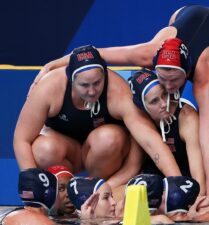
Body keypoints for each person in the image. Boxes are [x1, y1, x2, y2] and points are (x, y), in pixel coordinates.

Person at [35, 5, 209, 194]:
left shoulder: (205, 80)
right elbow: (95, 53)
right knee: (156, 91)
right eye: (163, 78)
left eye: (175, 81)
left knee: (208, 116)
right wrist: (53, 64)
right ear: (154, 66)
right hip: (183, 14)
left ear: (187, 71)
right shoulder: (147, 55)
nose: (170, 86)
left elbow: (208, 141)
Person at [13, 45, 181, 190]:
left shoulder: (117, 92)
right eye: (84, 85)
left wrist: (177, 182)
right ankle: (66, 195)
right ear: (71, 79)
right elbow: (22, 139)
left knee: (108, 138)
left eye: (97, 83)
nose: (92, 91)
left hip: (102, 158)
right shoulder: (49, 88)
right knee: (43, 149)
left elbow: (151, 142)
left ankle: (93, 192)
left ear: (105, 75)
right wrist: (33, 186)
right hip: (66, 153)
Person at [128, 69, 206, 195]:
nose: (164, 104)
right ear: (142, 106)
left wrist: (198, 202)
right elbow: (132, 168)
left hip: (185, 187)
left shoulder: (187, 117)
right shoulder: (139, 123)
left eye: (164, 95)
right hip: (151, 188)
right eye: (154, 101)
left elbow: (199, 174)